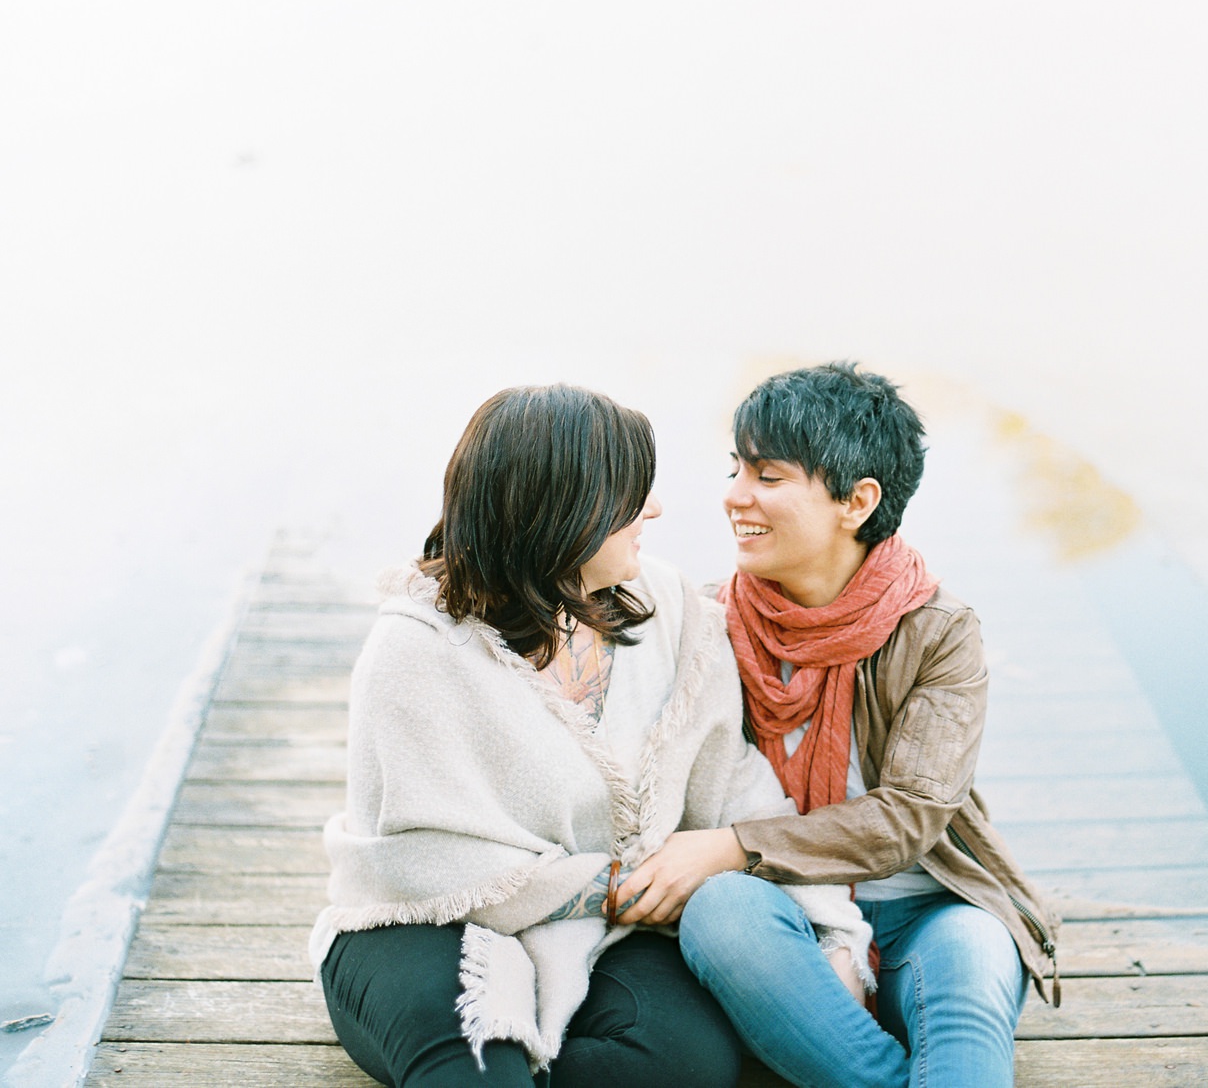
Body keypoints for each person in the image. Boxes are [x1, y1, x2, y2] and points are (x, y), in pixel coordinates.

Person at [310, 384, 873, 1088]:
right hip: (421, 926)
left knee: (689, 1066)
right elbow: (421, 863)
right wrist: (613, 881)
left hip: (606, 929)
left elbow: (730, 779)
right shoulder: (417, 650)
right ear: (563, 511)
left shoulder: (668, 611)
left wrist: (833, 933)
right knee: (481, 1071)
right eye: (633, 494)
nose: (657, 510)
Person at [622, 363, 1061, 1088]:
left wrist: (734, 845)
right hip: (782, 915)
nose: (735, 496)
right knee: (722, 909)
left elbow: (909, 818)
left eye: (768, 476)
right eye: (737, 469)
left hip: (927, 906)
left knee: (978, 967)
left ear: (857, 501)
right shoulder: (705, 625)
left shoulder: (939, 633)